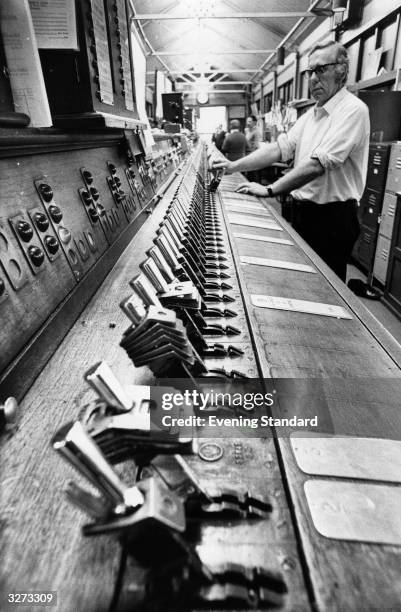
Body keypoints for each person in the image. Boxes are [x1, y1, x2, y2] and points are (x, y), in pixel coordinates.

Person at [212, 41, 370, 282]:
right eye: (310, 72)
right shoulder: (311, 116)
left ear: (342, 70)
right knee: (303, 280)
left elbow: (317, 165)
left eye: (321, 70)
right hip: (305, 213)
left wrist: (269, 189)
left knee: (325, 290)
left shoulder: (353, 110)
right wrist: (233, 167)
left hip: (332, 218)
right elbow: (278, 149)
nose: (313, 79)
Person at [244, 114, 261, 182]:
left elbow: (256, 145)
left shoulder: (255, 131)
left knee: (254, 174)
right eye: (247, 121)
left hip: (253, 154)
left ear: (254, 122)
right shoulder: (248, 130)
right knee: (249, 174)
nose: (247, 123)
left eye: (249, 121)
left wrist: (247, 133)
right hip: (248, 154)